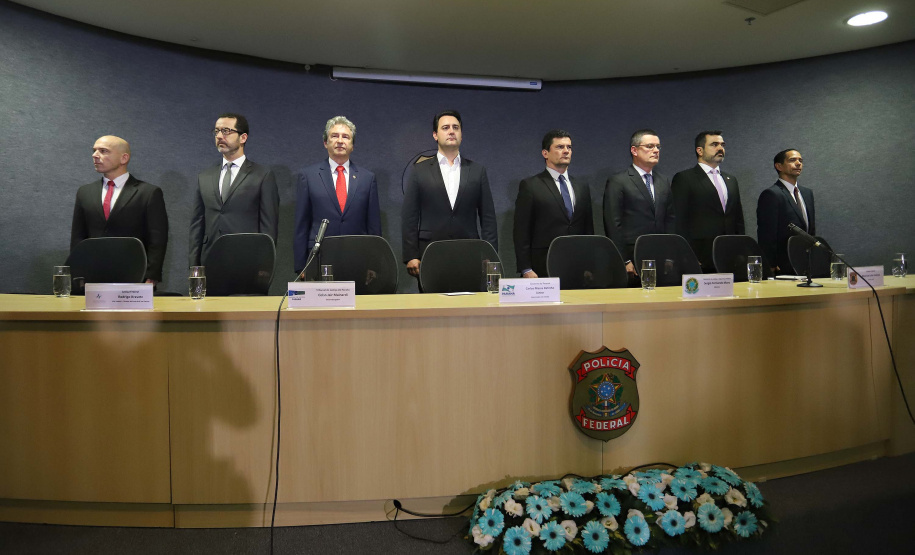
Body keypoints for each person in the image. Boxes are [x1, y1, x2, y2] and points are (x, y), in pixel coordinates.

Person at [401, 110, 498, 281]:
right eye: (445, 127)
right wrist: (411, 255)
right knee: (432, 306)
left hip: (470, 254)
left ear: (461, 135)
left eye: (456, 127)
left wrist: (491, 255)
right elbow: (409, 216)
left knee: (469, 306)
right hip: (430, 254)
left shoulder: (477, 171)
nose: (451, 131)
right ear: (435, 135)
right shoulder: (419, 171)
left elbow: (488, 218)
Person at [71, 135, 169, 284]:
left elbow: (157, 238)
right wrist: (77, 272)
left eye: (103, 151)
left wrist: (151, 275)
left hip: (134, 275)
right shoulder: (85, 192)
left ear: (124, 158)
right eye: (94, 150)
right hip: (92, 275)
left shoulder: (148, 193)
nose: (95, 155)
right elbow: (78, 236)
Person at [188, 113, 279, 267]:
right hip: (210, 261)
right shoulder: (204, 177)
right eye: (216, 131)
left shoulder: (262, 175)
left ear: (243, 138)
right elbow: (197, 225)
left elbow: (268, 227)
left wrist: (264, 266)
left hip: (247, 262)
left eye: (226, 131)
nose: (219, 136)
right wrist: (193, 267)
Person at [294, 116, 381, 273]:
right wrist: (301, 266)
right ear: (325, 143)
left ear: (352, 145)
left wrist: (374, 264)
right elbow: (301, 224)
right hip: (319, 258)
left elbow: (374, 227)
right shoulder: (308, 176)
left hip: (358, 258)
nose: (340, 141)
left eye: (345, 137)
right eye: (334, 136)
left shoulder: (367, 178)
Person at [513, 130, 593, 278]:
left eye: (569, 147)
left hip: (577, 265)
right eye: (559, 147)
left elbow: (588, 229)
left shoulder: (581, 185)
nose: (566, 151)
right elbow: (521, 231)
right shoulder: (531, 185)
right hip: (542, 266)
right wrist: (526, 269)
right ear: (545, 153)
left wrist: (589, 264)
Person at [603, 129, 675, 283]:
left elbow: (670, 220)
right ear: (634, 150)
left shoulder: (663, 181)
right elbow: (613, 223)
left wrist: (670, 254)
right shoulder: (619, 181)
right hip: (632, 255)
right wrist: (624, 260)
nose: (655, 150)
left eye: (658, 147)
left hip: (661, 255)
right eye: (649, 146)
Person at [671, 130, 745, 272]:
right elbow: (679, 219)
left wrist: (740, 247)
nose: (720, 148)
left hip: (729, 255)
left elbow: (738, 218)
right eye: (714, 144)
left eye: (722, 145)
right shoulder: (685, 178)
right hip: (699, 255)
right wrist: (685, 253)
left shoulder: (731, 180)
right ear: (700, 150)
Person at [756, 149, 815, 275]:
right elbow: (767, 233)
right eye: (792, 160)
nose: (798, 163)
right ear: (779, 166)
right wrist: (770, 263)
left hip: (805, 262)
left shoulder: (807, 193)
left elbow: (810, 230)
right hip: (782, 264)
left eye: (800, 160)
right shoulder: (772, 194)